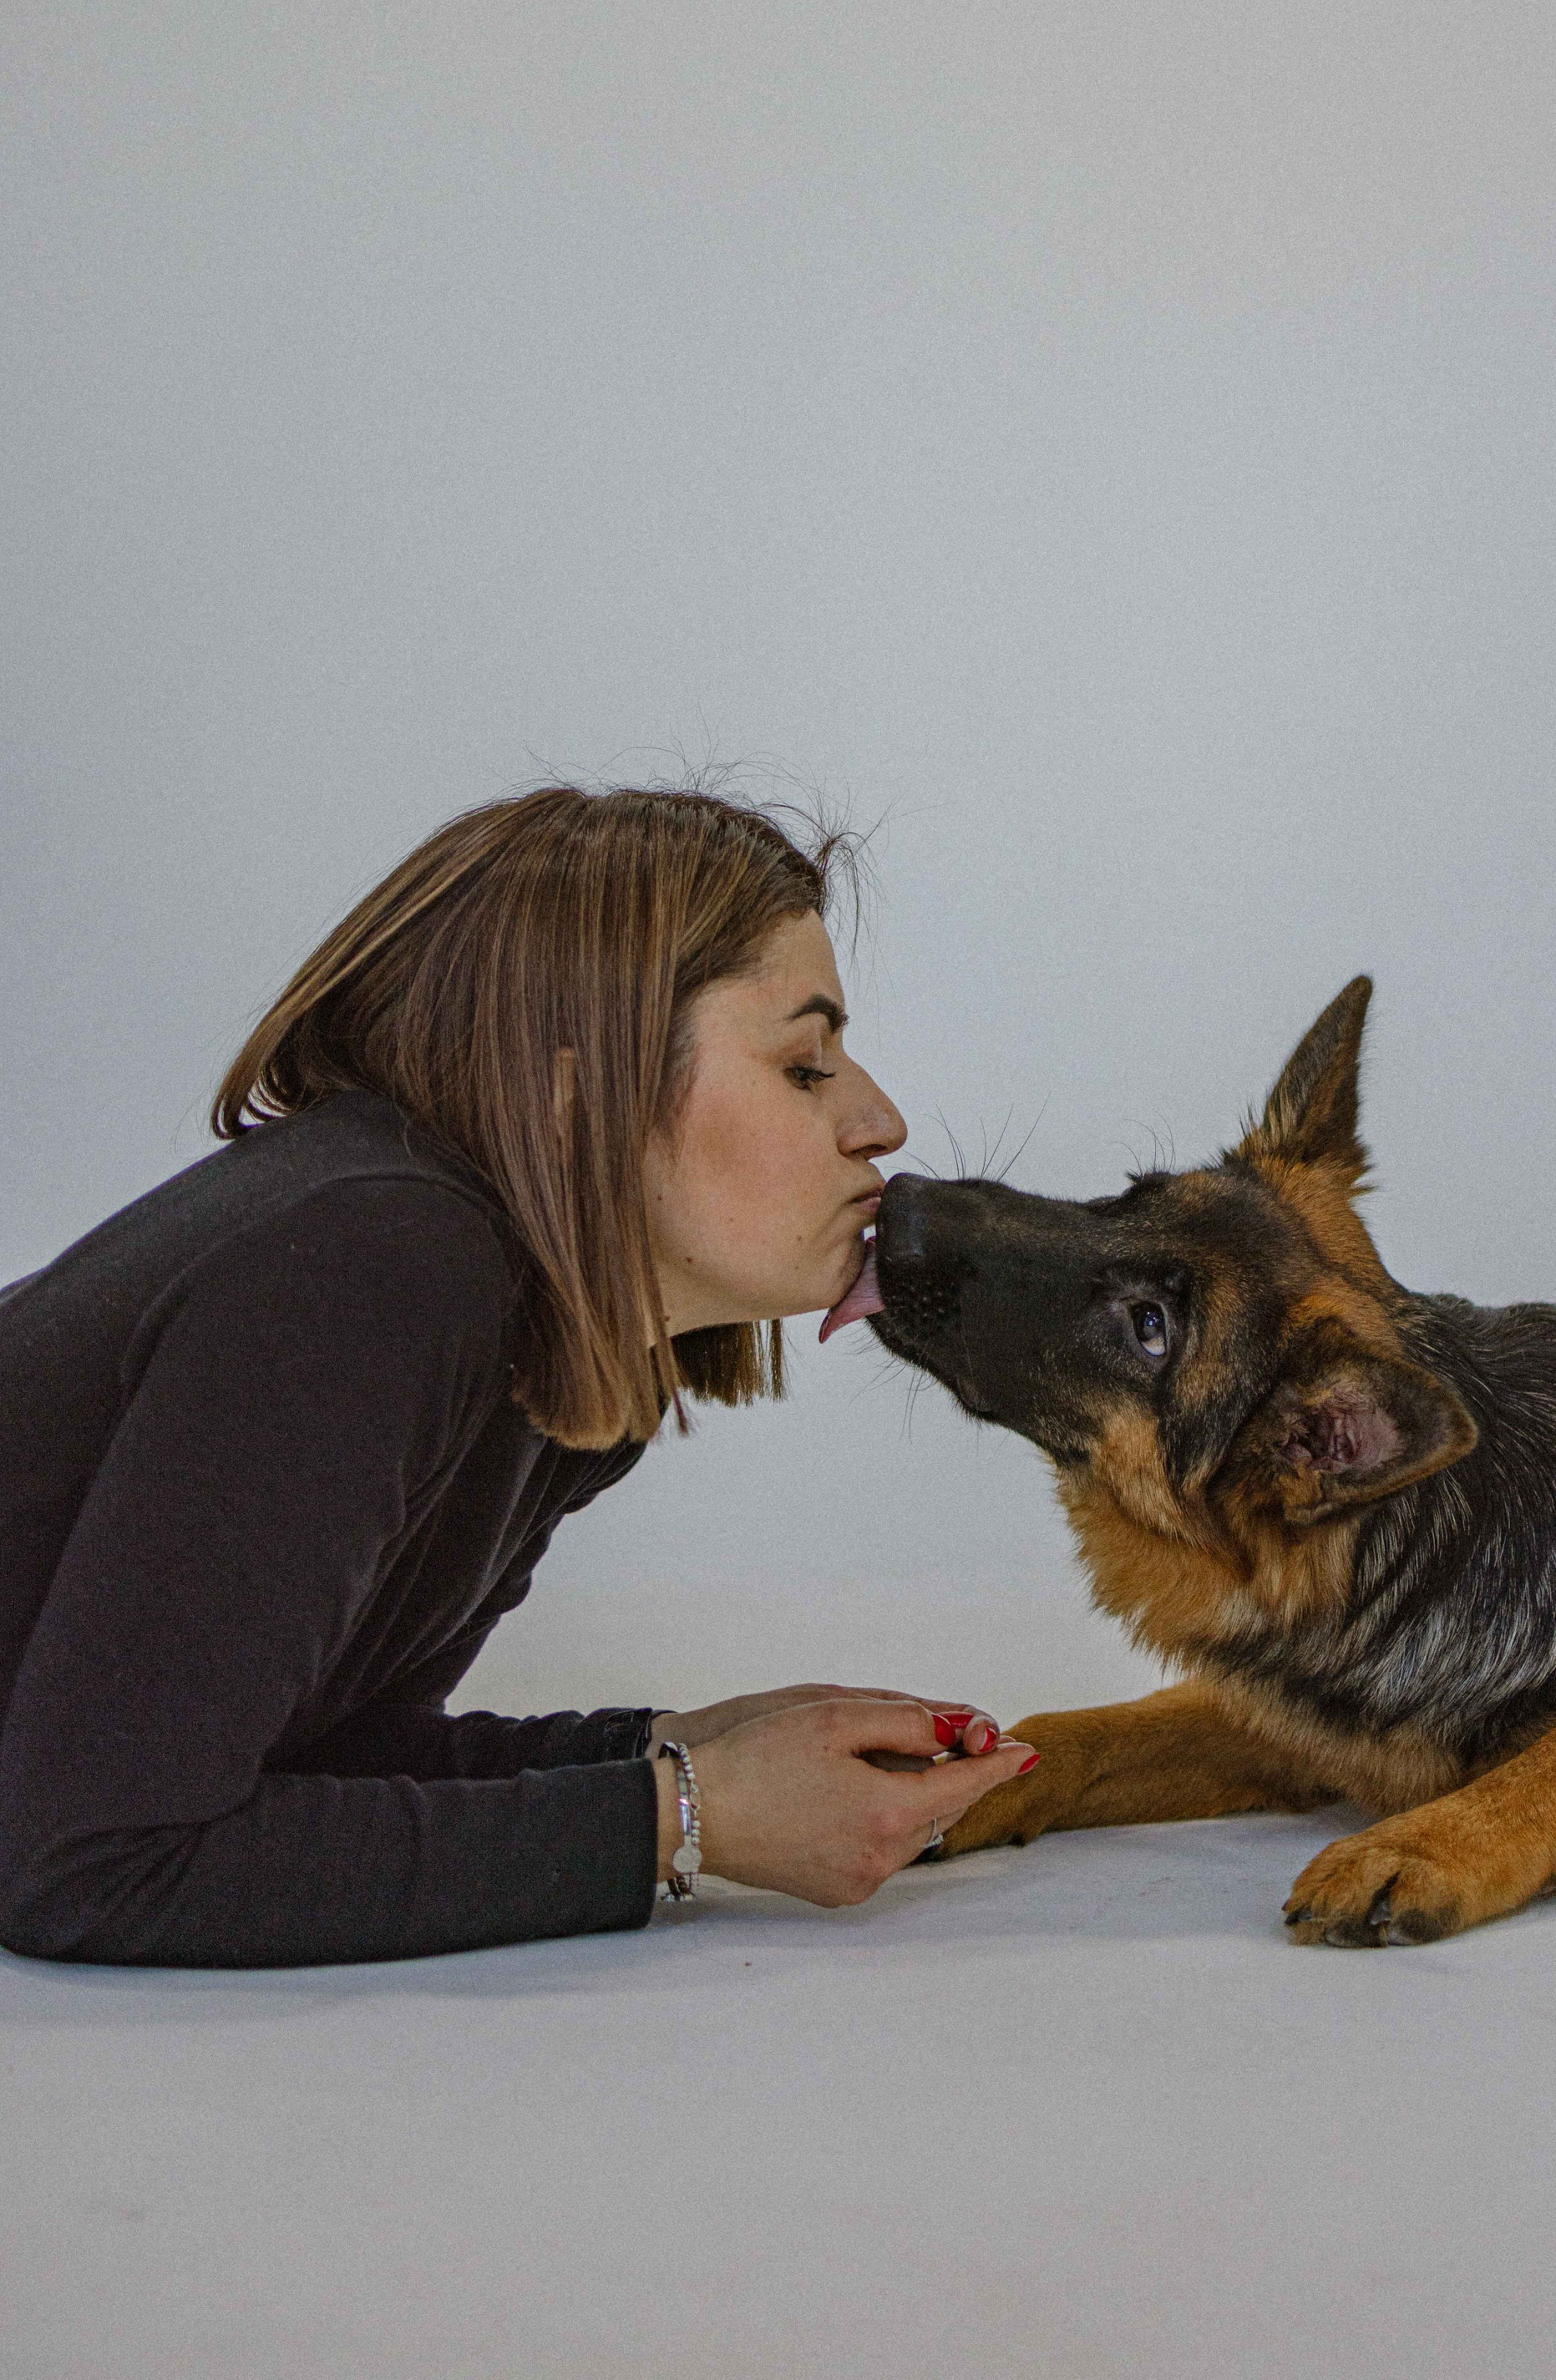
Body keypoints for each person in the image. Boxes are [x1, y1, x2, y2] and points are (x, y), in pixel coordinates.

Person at [0, 784, 1036, 1966]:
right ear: (576, 1096)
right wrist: (691, 1820)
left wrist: (674, 1753)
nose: (882, 1119)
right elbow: (94, 1856)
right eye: (805, 1064)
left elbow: (305, 1757)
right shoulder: (376, 1265)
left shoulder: (555, 1373)